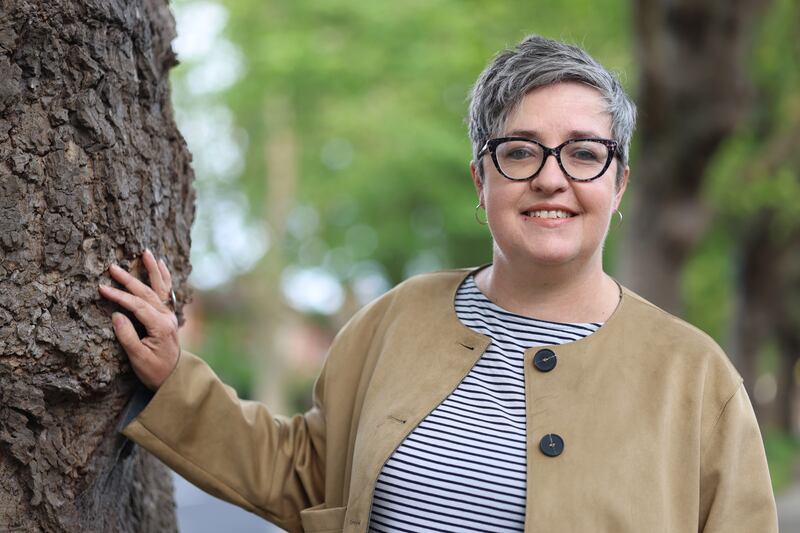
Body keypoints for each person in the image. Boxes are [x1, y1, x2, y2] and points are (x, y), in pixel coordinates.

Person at [98, 35, 778, 532]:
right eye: (519, 150)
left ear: (618, 182)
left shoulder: (699, 382)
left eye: (583, 152)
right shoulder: (390, 323)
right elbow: (302, 473)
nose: (551, 177)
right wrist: (172, 375)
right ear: (482, 181)